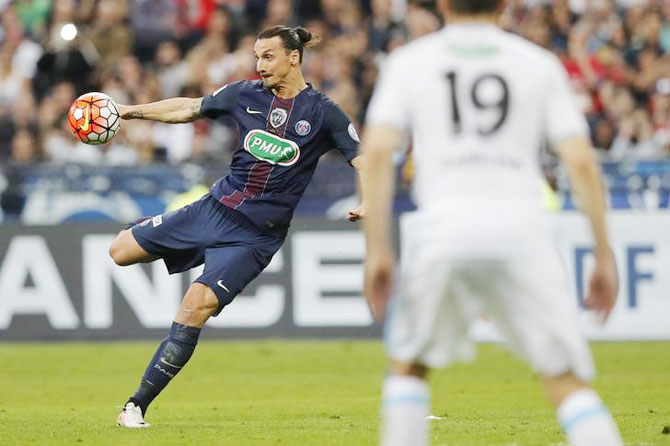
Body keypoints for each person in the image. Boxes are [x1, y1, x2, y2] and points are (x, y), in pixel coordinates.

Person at [359, 1, 623, 446]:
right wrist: (603, 252)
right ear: (505, 4)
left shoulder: (410, 62)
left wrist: (378, 249)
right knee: (564, 380)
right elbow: (580, 160)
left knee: (409, 367)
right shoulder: (538, 64)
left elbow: (380, 151)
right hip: (523, 234)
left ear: (442, 3)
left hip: (443, 232)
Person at [109, 25, 366, 428]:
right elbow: (189, 108)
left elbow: (361, 158)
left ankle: (135, 406)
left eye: (268, 56)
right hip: (213, 207)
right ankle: (161, 233)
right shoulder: (242, 94)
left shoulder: (323, 111)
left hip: (255, 236)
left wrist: (367, 200)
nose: (259, 65)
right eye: (256, 56)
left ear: (293, 57)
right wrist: (129, 111)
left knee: (195, 306)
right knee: (119, 252)